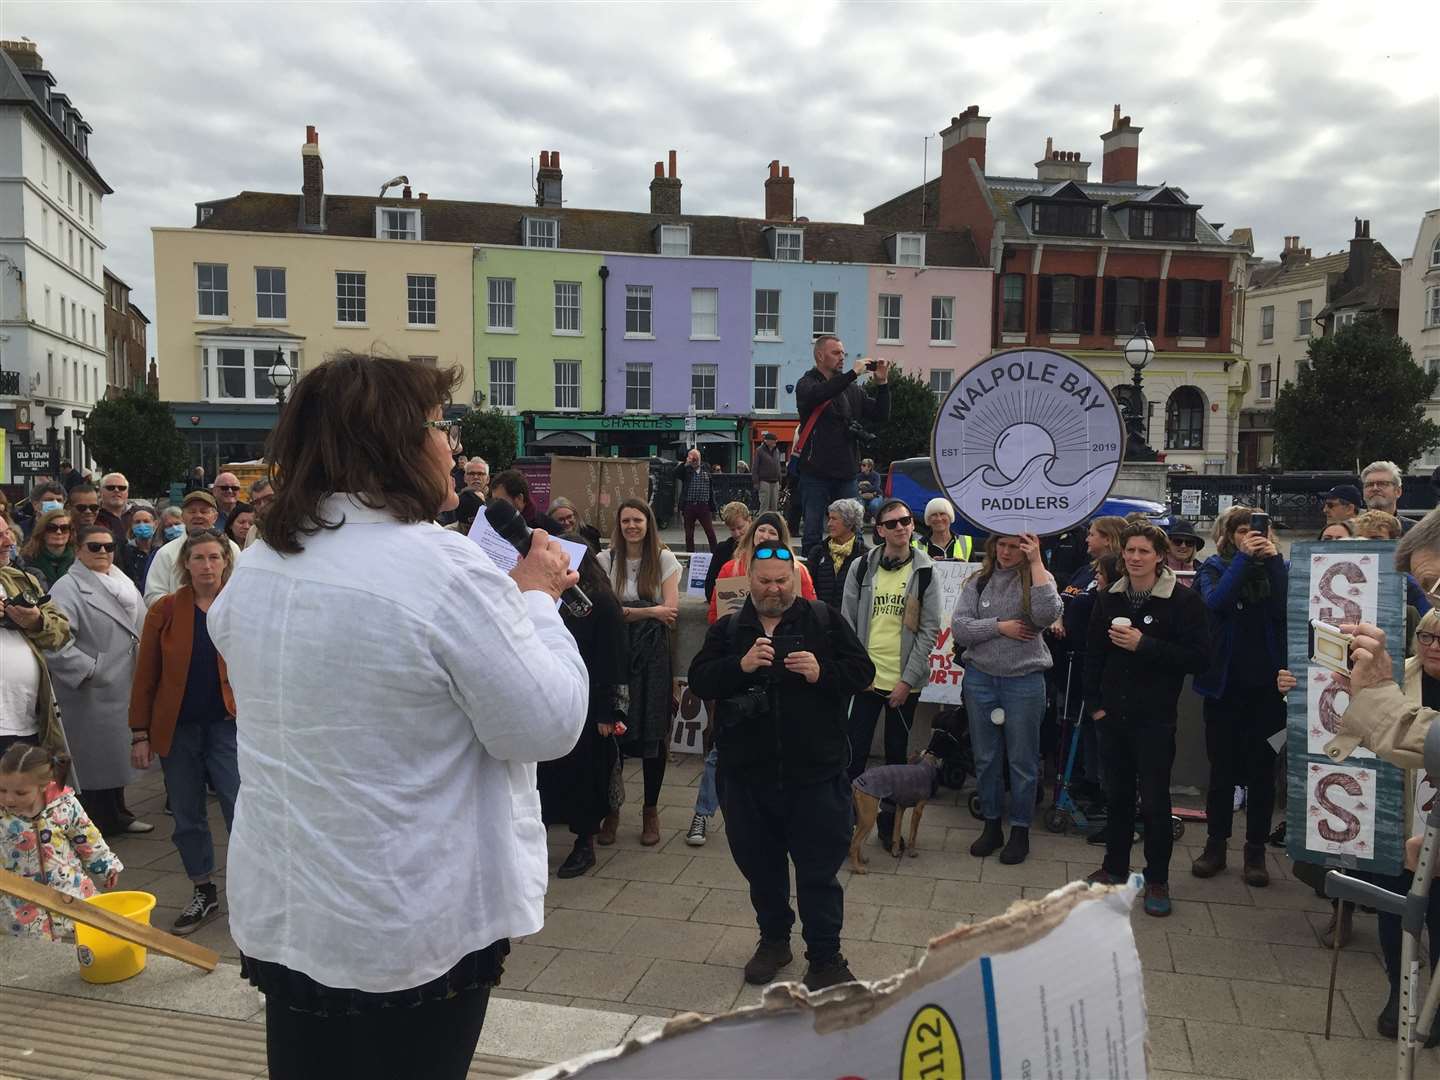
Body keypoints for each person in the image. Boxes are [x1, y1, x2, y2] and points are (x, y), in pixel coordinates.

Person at [203, 354, 586, 1079]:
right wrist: (533, 598)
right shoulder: (440, 567)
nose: (454, 448)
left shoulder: (262, 561)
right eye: (442, 426)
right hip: (406, 919)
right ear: (395, 443)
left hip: (292, 907)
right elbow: (545, 722)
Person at [688, 543, 875, 992]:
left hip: (815, 776)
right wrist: (741, 665)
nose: (774, 589)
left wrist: (822, 672)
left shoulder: (824, 620)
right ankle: (774, 941)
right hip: (748, 778)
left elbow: (863, 673)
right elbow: (699, 679)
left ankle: (826, 957)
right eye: (765, 580)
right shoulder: (732, 628)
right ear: (749, 579)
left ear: (795, 579)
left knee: (818, 872)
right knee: (762, 868)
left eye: (781, 580)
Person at [1321, 613, 1440, 1044]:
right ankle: (1399, 992)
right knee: (1397, 910)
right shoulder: (1394, 677)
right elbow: (1348, 712)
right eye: (1426, 635)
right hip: (1396, 817)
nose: (1433, 644)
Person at [1083, 523, 1210, 916]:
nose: (1136, 558)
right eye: (1130, 552)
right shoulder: (1108, 598)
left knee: (1154, 803)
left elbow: (1199, 658)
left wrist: (1146, 645)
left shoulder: (1183, 602)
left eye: (1144, 551)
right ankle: (1115, 868)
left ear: (1159, 555)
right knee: (1117, 797)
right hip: (1112, 717)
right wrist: (1096, 706)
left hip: (1155, 719)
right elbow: (1092, 656)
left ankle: (1157, 879)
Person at [129, 531, 241, 936]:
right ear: (186, 564)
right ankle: (203, 889)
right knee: (187, 813)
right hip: (177, 728)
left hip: (229, 726)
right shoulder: (165, 610)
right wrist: (139, 732)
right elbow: (146, 675)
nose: (207, 565)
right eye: (199, 558)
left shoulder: (240, 605)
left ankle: (249, 892)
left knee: (240, 808)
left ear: (226, 562)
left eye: (215, 557)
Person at [951, 533, 1062, 865]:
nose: (1007, 552)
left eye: (1015, 546)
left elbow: (1045, 614)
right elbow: (959, 627)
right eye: (1001, 545)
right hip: (981, 679)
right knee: (985, 757)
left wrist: (1037, 562)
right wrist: (1001, 627)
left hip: (1024, 681)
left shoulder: (1038, 578)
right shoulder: (979, 580)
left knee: (1022, 760)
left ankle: (1020, 830)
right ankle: (991, 824)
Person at [1191, 506, 1288, 887]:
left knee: (1263, 774)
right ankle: (1215, 847)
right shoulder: (1214, 568)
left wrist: (1273, 561)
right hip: (1224, 689)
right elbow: (1216, 604)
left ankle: (1255, 852)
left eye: (1257, 530)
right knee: (1222, 773)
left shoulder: (1278, 568)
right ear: (1229, 536)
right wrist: (1244, 560)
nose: (1251, 535)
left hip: (1268, 693)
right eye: (1242, 531)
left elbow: (1286, 607)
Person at [841, 498, 942, 851]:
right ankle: (846, 826)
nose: (901, 527)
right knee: (854, 756)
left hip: (903, 684)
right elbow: (848, 624)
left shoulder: (925, 571)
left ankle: (888, 828)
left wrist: (906, 681)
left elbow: (929, 631)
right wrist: (858, 673)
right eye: (893, 523)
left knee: (897, 761)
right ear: (879, 530)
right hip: (867, 681)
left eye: (906, 521)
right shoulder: (861, 568)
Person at [45, 524, 150, 838]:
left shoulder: (119, 580)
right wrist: (91, 669)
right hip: (92, 690)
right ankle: (97, 825)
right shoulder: (67, 587)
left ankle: (119, 814)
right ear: (78, 550)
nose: (103, 552)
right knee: (96, 763)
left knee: (117, 757)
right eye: (94, 547)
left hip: (122, 683)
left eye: (108, 546)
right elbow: (54, 641)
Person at [538, 547, 628, 879]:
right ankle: (540, 836)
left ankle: (584, 843)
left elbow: (614, 659)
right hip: (551, 697)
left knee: (585, 776)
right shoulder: (547, 599)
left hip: (590, 704)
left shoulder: (600, 603)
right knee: (547, 775)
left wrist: (610, 711)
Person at [597, 499, 681, 846]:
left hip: (652, 653)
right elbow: (603, 610)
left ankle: (650, 810)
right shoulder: (606, 559)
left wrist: (628, 612)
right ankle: (612, 809)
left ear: (648, 523)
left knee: (652, 729)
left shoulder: (663, 558)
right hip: (616, 650)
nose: (632, 526)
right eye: (626, 520)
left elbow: (671, 611)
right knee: (612, 732)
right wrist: (649, 610)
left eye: (638, 520)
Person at [1, 744, 122, 939]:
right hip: (19, 904)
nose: (9, 799)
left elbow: (86, 836)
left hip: (70, 890)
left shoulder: (64, 804)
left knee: (87, 940)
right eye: (2, 790)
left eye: (20, 793)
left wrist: (106, 864)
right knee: (34, 952)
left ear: (44, 785)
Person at [794, 336, 891, 550]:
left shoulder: (851, 390)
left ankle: (851, 575)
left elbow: (880, 414)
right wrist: (853, 374)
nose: (842, 357)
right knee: (813, 533)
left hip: (846, 473)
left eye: (843, 353)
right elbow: (821, 394)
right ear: (820, 355)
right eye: (836, 353)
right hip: (815, 473)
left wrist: (882, 384)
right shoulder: (807, 384)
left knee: (853, 534)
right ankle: (814, 576)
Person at [1, 539, 71, 758]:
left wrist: (37, 622)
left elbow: (61, 632)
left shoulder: (20, 579)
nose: (8, 542)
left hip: (28, 720)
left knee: (25, 792)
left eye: (7, 533)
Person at [708, 511, 816, 624]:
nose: (765, 536)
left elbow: (810, 612)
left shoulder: (798, 571)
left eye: (772, 532)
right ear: (753, 533)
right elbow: (714, 615)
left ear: (781, 539)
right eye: (761, 530)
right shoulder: (730, 569)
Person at [142, 492, 241, 607]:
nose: (198, 515)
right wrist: (186, 605)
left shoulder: (232, 549)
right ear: (183, 516)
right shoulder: (166, 553)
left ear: (215, 517)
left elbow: (240, 590)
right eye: (192, 511)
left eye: (204, 511)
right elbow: (152, 597)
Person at [808, 498, 867, 611]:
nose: (829, 524)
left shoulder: (864, 555)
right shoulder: (818, 552)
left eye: (834, 519)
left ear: (849, 522)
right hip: (821, 619)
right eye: (829, 518)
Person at [704, 501, 754, 603]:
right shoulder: (722, 549)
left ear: (749, 520)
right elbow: (710, 587)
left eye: (740, 527)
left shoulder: (761, 546)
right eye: (732, 529)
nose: (737, 533)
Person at [675, 448, 719, 553]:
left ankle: (716, 554)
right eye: (692, 457)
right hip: (689, 505)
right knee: (689, 534)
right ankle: (690, 556)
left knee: (710, 532)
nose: (694, 460)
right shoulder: (686, 470)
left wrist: (713, 507)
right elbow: (675, 473)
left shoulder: (706, 467)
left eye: (696, 457)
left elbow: (712, 481)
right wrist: (686, 464)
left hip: (703, 505)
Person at [20, 507, 75, 590]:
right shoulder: (26, 560)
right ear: (42, 531)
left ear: (70, 532)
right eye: (52, 528)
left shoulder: (80, 560)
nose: (59, 532)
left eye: (64, 528)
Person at [1360, 460, 1412, 532]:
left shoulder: (1416, 532)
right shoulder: (1348, 531)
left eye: (1382, 484)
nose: (1375, 488)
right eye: (1369, 485)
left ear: (1398, 491)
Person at [118, 505, 160, 591]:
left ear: (155, 524)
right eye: (137, 522)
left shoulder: (161, 550)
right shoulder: (125, 551)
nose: (142, 525)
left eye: (146, 521)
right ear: (132, 526)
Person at [753, 432, 782, 512]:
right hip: (764, 481)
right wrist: (756, 482)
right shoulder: (759, 451)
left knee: (774, 506)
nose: (775, 442)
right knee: (764, 505)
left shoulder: (777, 451)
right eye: (773, 440)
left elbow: (778, 466)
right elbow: (755, 467)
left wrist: (780, 480)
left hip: (775, 481)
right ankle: (762, 522)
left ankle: (772, 523)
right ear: (767, 441)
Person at [856, 458, 883, 522]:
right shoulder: (858, 476)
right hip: (863, 496)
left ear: (869, 467)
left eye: (864, 465)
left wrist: (865, 486)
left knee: (874, 505)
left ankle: (877, 520)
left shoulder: (876, 475)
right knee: (858, 505)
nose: (861, 467)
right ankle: (860, 523)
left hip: (876, 495)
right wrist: (868, 488)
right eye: (861, 465)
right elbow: (856, 488)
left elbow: (876, 487)